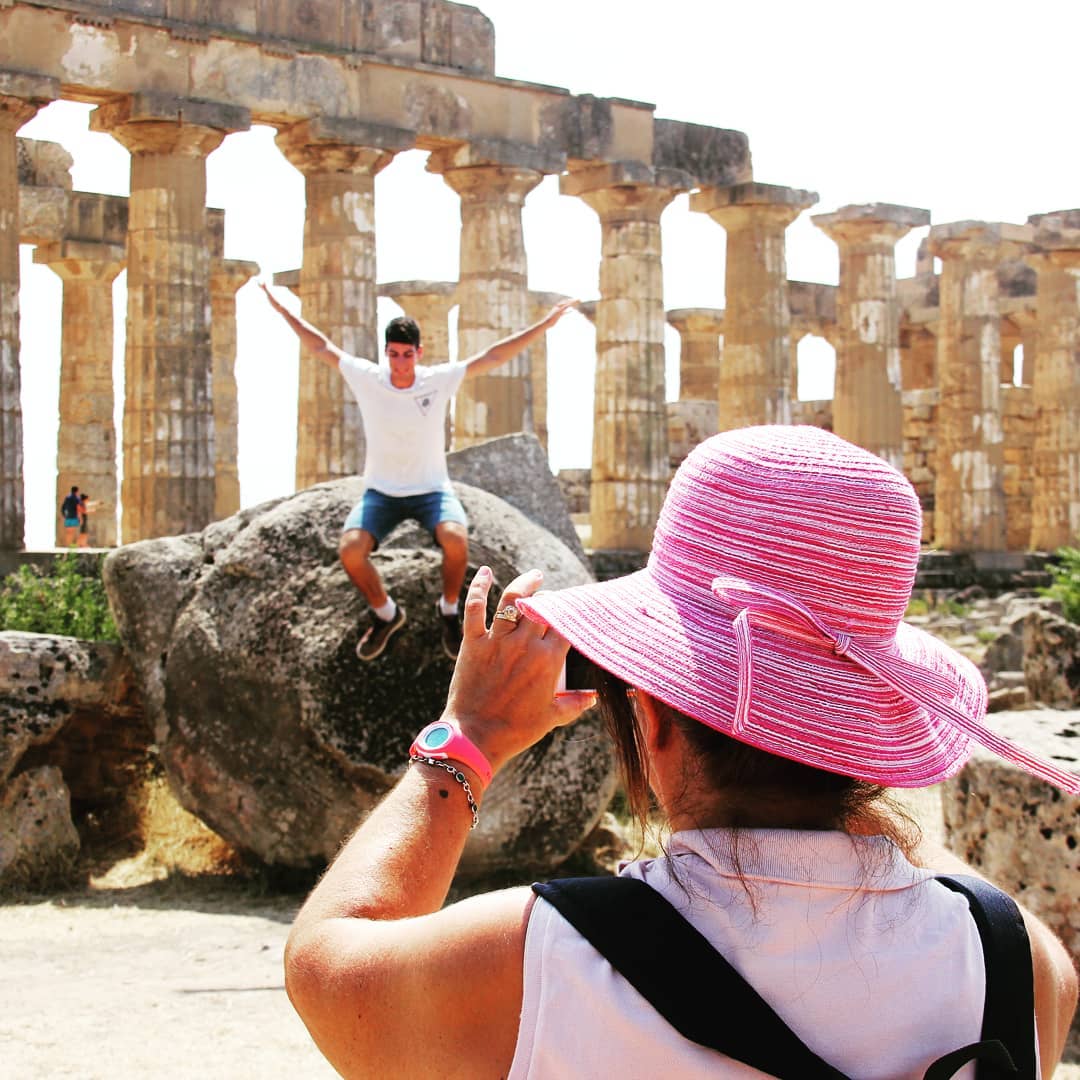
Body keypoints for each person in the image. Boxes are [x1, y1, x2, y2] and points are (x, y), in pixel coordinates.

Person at [282, 426, 1078, 1079]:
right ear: (869, 727)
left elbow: (324, 964)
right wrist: (847, 756)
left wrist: (469, 736)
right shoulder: (1019, 968)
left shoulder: (539, 960)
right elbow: (951, 888)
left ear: (656, 716)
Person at [261, 284, 578, 662]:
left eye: (407, 355)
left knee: (455, 540)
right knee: (350, 551)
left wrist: (544, 324)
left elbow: (493, 355)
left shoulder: (436, 380)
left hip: (431, 490)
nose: (400, 363)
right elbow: (321, 347)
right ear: (386, 353)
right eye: (393, 355)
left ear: (419, 353)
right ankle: (385, 615)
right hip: (381, 493)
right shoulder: (368, 378)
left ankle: (448, 609)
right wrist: (282, 310)